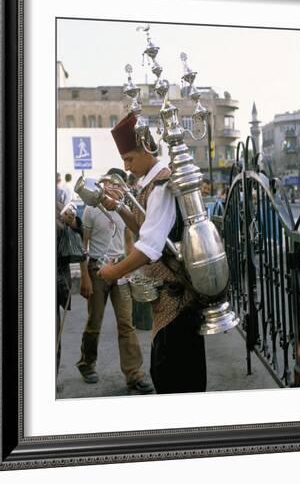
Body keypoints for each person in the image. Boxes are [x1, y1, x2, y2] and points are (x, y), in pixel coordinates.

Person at [98, 112, 207, 394]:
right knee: (166, 372)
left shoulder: (161, 185)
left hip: (178, 301)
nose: (127, 167)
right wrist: (120, 207)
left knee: (175, 379)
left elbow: (149, 247)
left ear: (147, 149)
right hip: (166, 302)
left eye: (130, 159)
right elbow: (145, 227)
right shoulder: (149, 182)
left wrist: (113, 273)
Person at [76, 167, 153, 394]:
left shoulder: (123, 208)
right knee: (95, 322)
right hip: (97, 271)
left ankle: (134, 375)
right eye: (111, 183)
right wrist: (85, 278)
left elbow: (129, 241)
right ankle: (87, 363)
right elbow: (84, 246)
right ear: (104, 184)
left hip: (120, 270)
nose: (114, 188)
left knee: (126, 323)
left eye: (119, 185)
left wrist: (130, 268)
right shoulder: (91, 210)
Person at [56, 199, 85, 373]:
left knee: (52, 336)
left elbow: (78, 231)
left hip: (55, 280)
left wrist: (72, 221)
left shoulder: (58, 205)